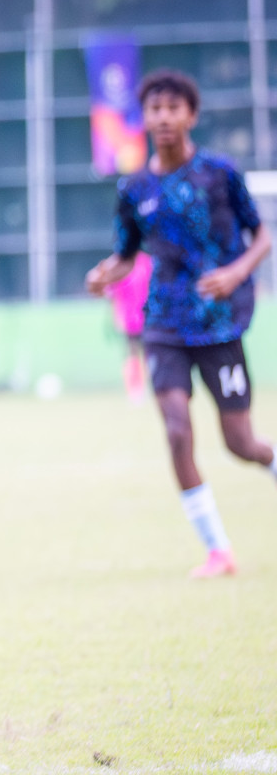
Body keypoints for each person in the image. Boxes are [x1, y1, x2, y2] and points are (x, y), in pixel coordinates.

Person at [86, 68, 277, 578]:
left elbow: (262, 238)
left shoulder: (220, 173)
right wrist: (106, 274)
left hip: (219, 325)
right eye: (155, 109)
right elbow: (126, 254)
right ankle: (218, 551)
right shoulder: (134, 188)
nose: (164, 117)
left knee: (241, 443)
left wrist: (234, 273)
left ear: (191, 115)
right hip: (164, 323)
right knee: (176, 431)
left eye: (174, 108)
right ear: (144, 118)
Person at [107, 252, 151, 403]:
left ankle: (151, 388)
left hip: (148, 318)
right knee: (131, 355)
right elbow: (113, 294)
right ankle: (134, 391)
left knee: (149, 355)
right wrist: (116, 317)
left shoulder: (147, 262)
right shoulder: (120, 262)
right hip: (129, 320)